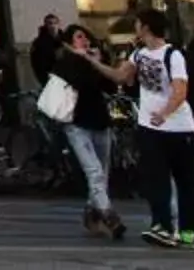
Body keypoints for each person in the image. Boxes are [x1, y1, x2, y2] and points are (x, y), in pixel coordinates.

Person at [45, 21, 131, 241]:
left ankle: (91, 211)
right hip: (76, 124)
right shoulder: (65, 63)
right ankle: (109, 216)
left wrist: (98, 62)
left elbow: (110, 87)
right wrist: (83, 60)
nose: (85, 41)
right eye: (79, 37)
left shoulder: (94, 61)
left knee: (102, 172)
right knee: (94, 171)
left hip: (100, 122)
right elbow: (77, 82)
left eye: (86, 37)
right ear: (69, 44)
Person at [128, 5, 194, 247]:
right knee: (155, 179)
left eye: (137, 23)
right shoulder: (137, 54)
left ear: (145, 27)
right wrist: (89, 60)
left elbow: (181, 91)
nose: (135, 28)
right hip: (150, 128)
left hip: (178, 128)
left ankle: (189, 233)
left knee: (185, 182)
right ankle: (163, 226)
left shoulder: (174, 55)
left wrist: (165, 113)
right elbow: (121, 76)